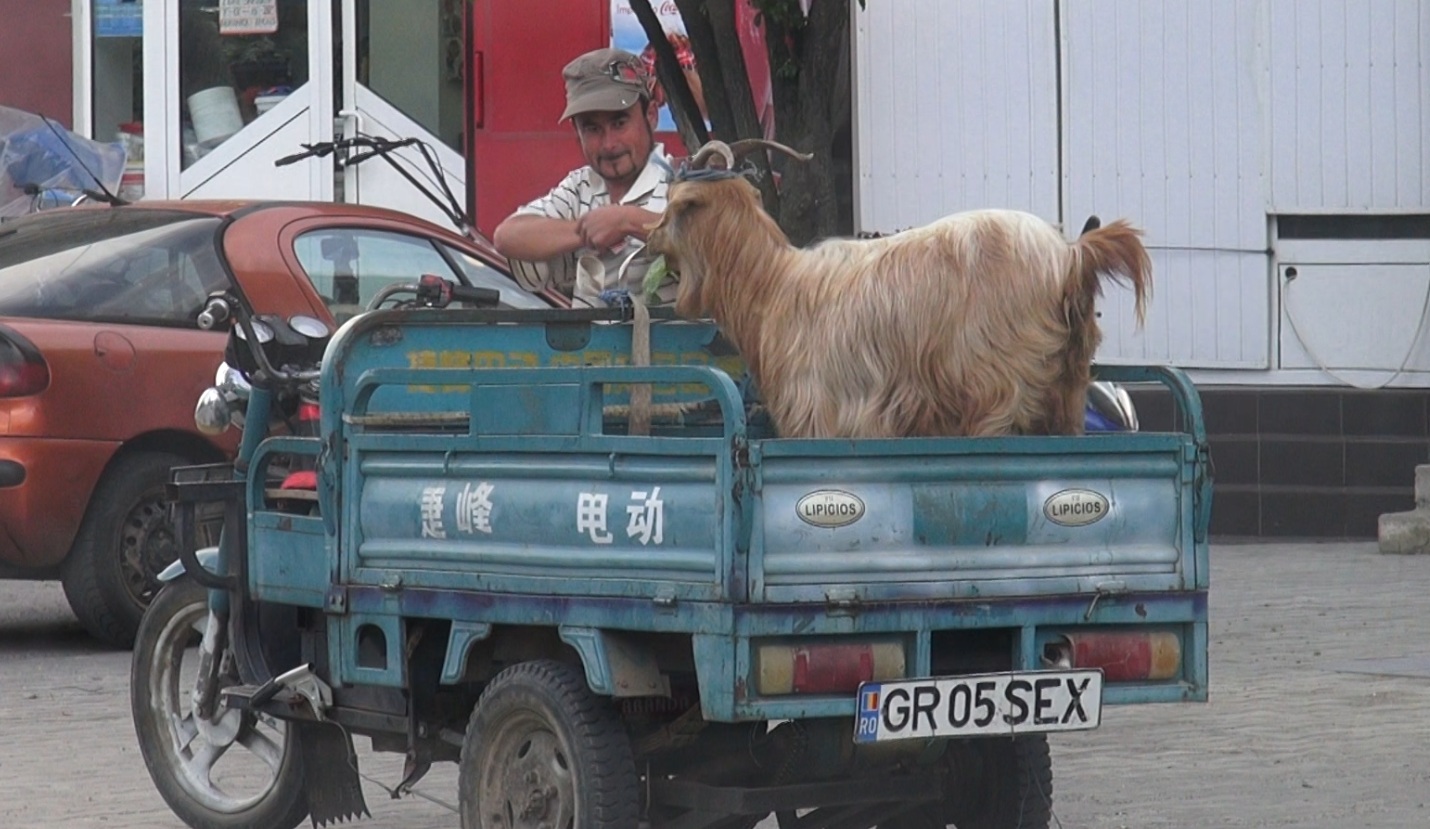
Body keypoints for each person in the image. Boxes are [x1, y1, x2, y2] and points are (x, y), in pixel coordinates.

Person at [493, 48, 676, 307]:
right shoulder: (580, 187)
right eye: (592, 128)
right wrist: (589, 231)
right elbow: (507, 236)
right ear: (577, 133)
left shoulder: (680, 184)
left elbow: (712, 248)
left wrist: (627, 221)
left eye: (619, 123)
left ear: (651, 116)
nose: (609, 144)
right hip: (590, 335)